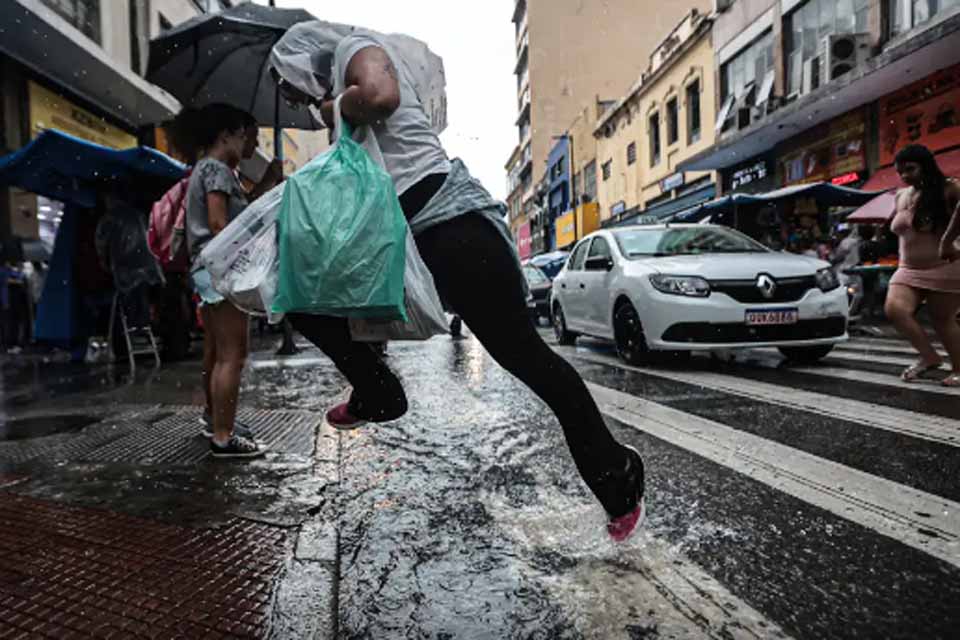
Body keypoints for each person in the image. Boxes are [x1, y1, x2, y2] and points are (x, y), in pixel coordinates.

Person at [270, 23, 645, 542]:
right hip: (417, 238)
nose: (299, 100)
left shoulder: (354, 50)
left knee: (527, 359)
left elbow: (380, 96)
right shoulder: (342, 85)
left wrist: (335, 110)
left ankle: (617, 476)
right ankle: (376, 389)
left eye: (293, 88)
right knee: (300, 291)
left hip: (454, 231)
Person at [180, 104, 275, 459]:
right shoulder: (218, 170)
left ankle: (216, 420)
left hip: (206, 271)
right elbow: (220, 225)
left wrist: (265, 184)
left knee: (217, 353)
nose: (245, 142)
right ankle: (224, 436)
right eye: (241, 136)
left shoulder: (205, 169)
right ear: (225, 136)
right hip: (221, 271)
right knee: (233, 356)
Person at [884, 144, 960, 386]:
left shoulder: (949, 188)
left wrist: (948, 240)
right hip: (907, 268)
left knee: (942, 319)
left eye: (910, 169)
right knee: (894, 309)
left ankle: (959, 370)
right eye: (900, 172)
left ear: (926, 165)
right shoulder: (901, 195)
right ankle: (929, 357)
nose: (905, 176)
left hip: (944, 264)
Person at [94, 184, 165, 332]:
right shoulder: (138, 215)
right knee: (141, 296)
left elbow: (101, 244)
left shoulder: (109, 219)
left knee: (132, 300)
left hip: (127, 268)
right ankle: (143, 325)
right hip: (149, 266)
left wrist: (104, 262)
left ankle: (137, 326)